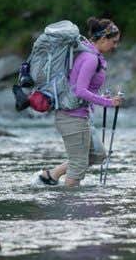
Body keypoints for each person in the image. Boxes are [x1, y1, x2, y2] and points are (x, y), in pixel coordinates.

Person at [38, 17, 124, 187]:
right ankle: (72, 207)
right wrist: (108, 103)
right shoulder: (90, 58)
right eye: (113, 42)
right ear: (103, 38)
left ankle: (51, 175)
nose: (115, 46)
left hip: (80, 116)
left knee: (97, 155)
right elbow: (79, 90)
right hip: (71, 118)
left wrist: (103, 98)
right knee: (78, 164)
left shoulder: (91, 55)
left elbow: (82, 88)